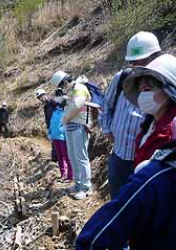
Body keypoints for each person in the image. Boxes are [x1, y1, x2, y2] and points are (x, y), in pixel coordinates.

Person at [75, 53, 176, 250]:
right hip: (134, 177)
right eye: (141, 88)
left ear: (170, 90)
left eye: (150, 88)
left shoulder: (169, 133)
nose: (144, 93)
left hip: (154, 207)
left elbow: (142, 192)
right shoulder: (150, 124)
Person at [102, 31, 162, 199]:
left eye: (144, 60)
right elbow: (107, 104)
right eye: (134, 62)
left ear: (155, 57)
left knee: (141, 203)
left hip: (145, 160)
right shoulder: (121, 78)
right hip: (118, 155)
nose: (138, 65)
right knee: (117, 197)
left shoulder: (164, 84)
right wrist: (107, 130)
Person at [51, 70, 92, 200]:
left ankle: (86, 188)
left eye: (62, 86)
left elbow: (75, 106)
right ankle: (78, 183)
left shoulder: (79, 88)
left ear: (65, 82)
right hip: (70, 127)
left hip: (80, 127)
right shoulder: (70, 91)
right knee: (73, 157)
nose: (62, 89)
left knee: (81, 157)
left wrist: (64, 118)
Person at [48, 89, 73, 181]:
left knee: (66, 156)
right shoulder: (54, 112)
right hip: (55, 137)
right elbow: (51, 124)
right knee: (59, 157)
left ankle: (70, 175)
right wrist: (50, 133)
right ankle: (63, 174)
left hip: (63, 137)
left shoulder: (66, 112)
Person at [36, 88, 58, 162]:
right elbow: (47, 118)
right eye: (39, 98)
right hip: (52, 127)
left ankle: (58, 157)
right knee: (54, 142)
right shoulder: (45, 106)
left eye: (41, 96)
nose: (41, 99)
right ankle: (55, 157)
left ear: (45, 94)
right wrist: (48, 128)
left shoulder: (53, 102)